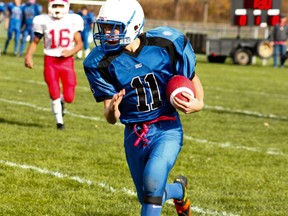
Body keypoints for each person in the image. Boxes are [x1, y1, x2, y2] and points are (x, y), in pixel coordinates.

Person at [83, 0, 204, 215]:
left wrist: (199, 102)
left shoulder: (166, 44)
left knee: (153, 181)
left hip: (166, 128)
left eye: (114, 27)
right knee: (147, 195)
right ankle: (179, 190)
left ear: (134, 25)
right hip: (134, 133)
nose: (107, 33)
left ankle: (171, 191)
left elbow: (191, 77)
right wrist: (112, 109)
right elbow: (111, 116)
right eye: (105, 27)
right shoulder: (99, 61)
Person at [24, 0, 83, 130]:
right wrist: (28, 55)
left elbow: (79, 43)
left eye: (60, 5)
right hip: (50, 60)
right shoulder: (43, 20)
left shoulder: (72, 20)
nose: (57, 8)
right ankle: (59, 122)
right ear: (50, 6)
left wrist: (70, 52)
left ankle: (62, 103)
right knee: (53, 89)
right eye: (55, 5)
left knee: (69, 97)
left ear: (66, 7)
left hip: (66, 61)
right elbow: (35, 41)